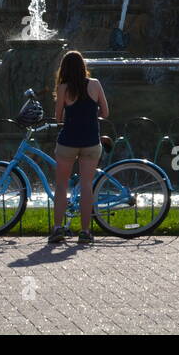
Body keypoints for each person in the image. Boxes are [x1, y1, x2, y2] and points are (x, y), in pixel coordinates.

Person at [49, 50, 108, 245]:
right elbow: (105, 112)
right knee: (86, 186)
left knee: (61, 186)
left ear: (64, 68)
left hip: (68, 142)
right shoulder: (95, 84)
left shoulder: (63, 88)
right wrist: (90, 114)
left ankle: (58, 228)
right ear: (83, 66)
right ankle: (85, 231)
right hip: (91, 141)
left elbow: (58, 118)